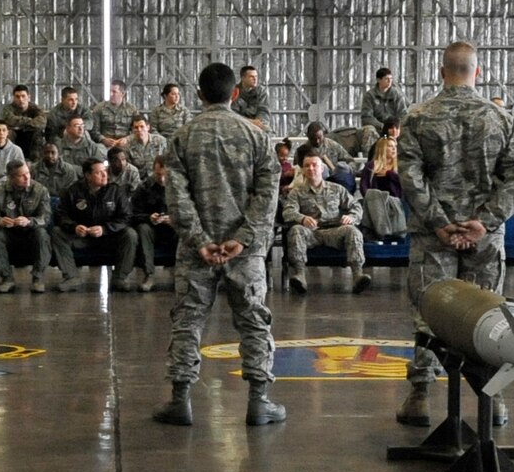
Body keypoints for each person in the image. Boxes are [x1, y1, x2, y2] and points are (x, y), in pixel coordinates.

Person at [394, 42, 514, 427]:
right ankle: (492, 399)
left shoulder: (418, 117)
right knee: (487, 314)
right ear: (477, 72)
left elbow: (410, 176)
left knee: (429, 312)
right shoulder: (500, 118)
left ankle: (420, 396)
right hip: (484, 237)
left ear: (442, 72)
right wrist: (485, 221)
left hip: (433, 235)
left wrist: (439, 221)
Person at [153, 61, 284, 427]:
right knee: (254, 320)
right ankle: (259, 401)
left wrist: (199, 241)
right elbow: (268, 196)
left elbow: (176, 198)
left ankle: (180, 399)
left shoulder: (182, 137)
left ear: (198, 94)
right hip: (246, 252)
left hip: (197, 250)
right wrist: (242, 239)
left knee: (188, 320)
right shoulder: (257, 136)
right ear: (235, 93)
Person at [281, 154, 369, 294]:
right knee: (296, 230)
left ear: (322, 168)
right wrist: (302, 218)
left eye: (314, 165)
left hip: (335, 231)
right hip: (311, 233)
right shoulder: (296, 192)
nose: (311, 168)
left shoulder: (337, 189)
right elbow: (288, 212)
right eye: (307, 166)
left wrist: (351, 217)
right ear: (302, 170)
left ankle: (358, 275)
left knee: (352, 231)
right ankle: (300, 275)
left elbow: (356, 206)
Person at [54, 158, 138, 291]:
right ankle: (71, 277)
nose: (105, 175)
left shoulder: (115, 190)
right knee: (57, 232)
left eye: (105, 171)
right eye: (99, 173)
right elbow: (61, 215)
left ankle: (120, 278)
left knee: (130, 234)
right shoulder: (73, 191)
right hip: (82, 237)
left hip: (109, 237)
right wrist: (74, 227)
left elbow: (126, 217)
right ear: (88, 175)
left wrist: (105, 229)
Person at [0, 160, 52, 294]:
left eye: (28, 173)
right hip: (9, 234)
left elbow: (46, 218)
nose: (27, 177)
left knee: (42, 234)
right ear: (11, 177)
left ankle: (37, 278)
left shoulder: (40, 190)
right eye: (21, 175)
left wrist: (29, 221)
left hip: (31, 233)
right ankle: (6, 278)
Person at [131, 155, 176, 292]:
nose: (161, 179)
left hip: (174, 228)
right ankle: (149, 274)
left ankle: (181, 274)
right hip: (153, 228)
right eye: (158, 174)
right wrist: (149, 217)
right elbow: (133, 214)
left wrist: (174, 219)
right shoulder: (144, 188)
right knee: (143, 229)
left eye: (164, 175)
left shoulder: (180, 187)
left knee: (186, 229)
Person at [90, 81, 142, 148]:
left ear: (122, 94)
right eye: (110, 91)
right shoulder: (99, 108)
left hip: (125, 145)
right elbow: (94, 130)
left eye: (114, 92)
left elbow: (138, 128)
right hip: (104, 145)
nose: (111, 94)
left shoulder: (132, 109)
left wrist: (127, 139)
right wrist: (103, 139)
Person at [359, 67, 406, 138]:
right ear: (379, 80)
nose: (389, 81)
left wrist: (394, 126)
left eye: (391, 78)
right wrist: (382, 126)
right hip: (377, 127)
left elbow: (403, 114)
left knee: (407, 132)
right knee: (369, 131)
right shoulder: (370, 96)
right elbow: (366, 117)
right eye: (386, 79)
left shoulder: (396, 94)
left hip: (393, 127)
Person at [365, 118, 402, 197]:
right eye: (391, 128)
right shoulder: (381, 142)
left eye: (397, 128)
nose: (394, 131)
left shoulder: (404, 143)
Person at [3, 84, 45, 152]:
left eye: (23, 96)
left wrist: (22, 126)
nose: (20, 99)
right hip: (15, 135)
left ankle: (35, 158)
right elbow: (10, 120)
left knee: (38, 133)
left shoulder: (36, 108)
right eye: (17, 97)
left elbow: (42, 122)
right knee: (9, 133)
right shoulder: (8, 108)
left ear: (28, 97)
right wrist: (30, 121)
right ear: (14, 98)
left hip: (31, 135)